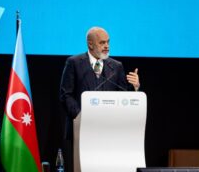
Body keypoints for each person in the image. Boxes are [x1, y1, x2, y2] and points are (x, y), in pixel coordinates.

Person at [59, 26, 140, 172]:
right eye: (102, 43)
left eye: (108, 42)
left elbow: (123, 97)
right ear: (90, 44)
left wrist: (135, 88)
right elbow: (65, 95)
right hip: (81, 130)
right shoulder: (74, 62)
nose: (107, 46)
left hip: (109, 131)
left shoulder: (116, 66)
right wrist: (80, 116)